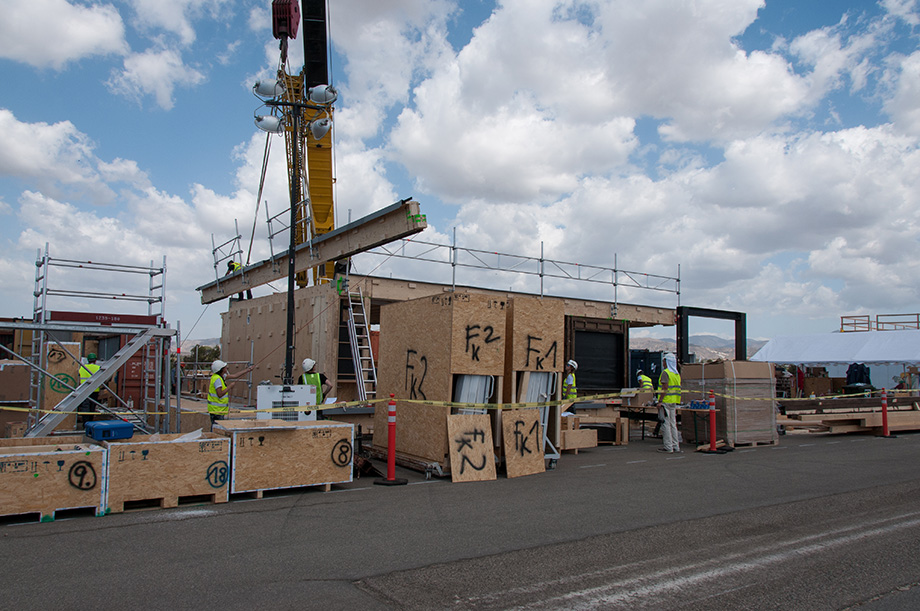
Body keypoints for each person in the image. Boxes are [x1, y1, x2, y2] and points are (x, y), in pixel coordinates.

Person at [207, 359, 253, 429]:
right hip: (217, 410)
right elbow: (220, 394)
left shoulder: (221, 376)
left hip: (218, 410)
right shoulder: (217, 379)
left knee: (216, 427)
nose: (226, 368)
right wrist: (230, 387)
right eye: (225, 367)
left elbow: (235, 376)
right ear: (221, 369)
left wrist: (247, 370)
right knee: (217, 428)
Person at [656, 353, 682, 453]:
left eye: (664, 361)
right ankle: (676, 446)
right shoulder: (676, 374)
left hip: (666, 401)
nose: (663, 363)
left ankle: (668, 446)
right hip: (674, 401)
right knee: (673, 424)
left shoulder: (665, 373)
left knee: (665, 424)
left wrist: (660, 401)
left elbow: (665, 388)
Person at [77, 353, 102, 425]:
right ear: (95, 360)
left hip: (84, 389)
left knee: (85, 406)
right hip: (95, 390)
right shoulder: (98, 368)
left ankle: (85, 423)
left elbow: (79, 378)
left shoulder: (82, 368)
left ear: (88, 360)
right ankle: (90, 423)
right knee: (92, 407)